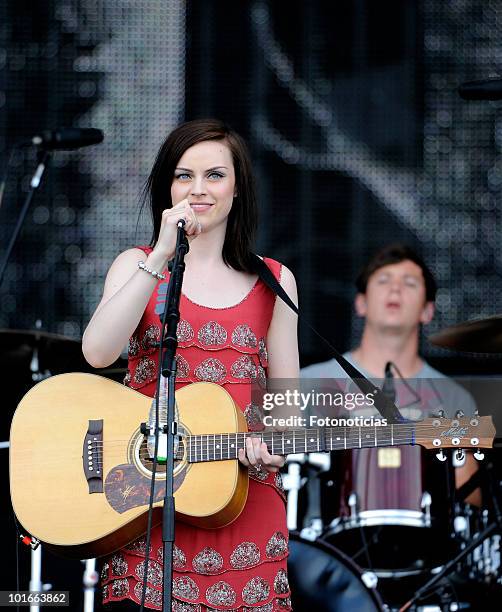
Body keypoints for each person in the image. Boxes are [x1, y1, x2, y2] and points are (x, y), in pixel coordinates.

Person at [82, 118, 299, 611]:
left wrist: (273, 443)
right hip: (146, 500)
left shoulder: (275, 280)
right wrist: (160, 253)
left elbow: (287, 410)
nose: (198, 189)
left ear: (238, 187)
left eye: (215, 175)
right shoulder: (136, 263)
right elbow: (97, 352)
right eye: (184, 175)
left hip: (243, 502)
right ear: (168, 188)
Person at [300, 244, 480, 553]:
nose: (395, 288)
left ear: (428, 310)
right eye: (383, 281)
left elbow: (470, 496)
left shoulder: (453, 397)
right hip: (324, 554)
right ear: (361, 303)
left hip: (426, 558)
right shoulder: (308, 383)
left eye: (409, 283)